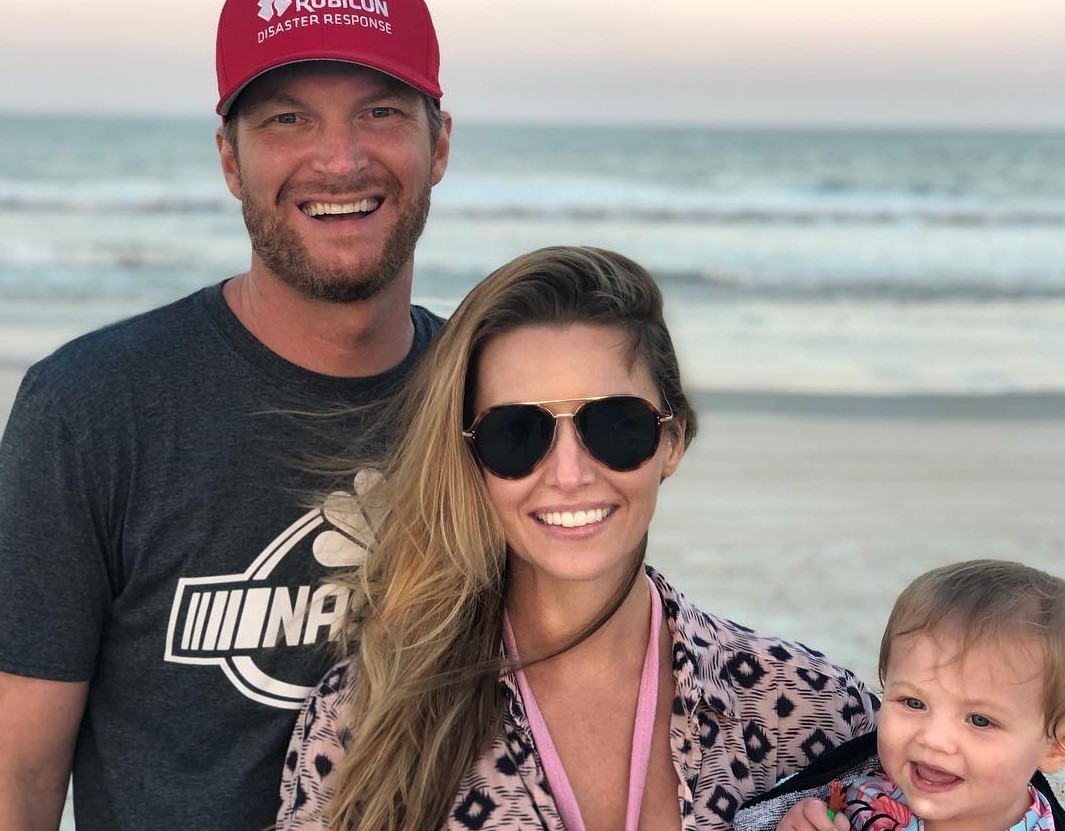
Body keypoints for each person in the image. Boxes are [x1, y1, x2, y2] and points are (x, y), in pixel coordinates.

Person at [0, 1, 451, 828]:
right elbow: (16, 778)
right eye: (287, 119)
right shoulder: (92, 407)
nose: (340, 159)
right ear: (230, 161)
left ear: (440, 145)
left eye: (381, 113)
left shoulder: (496, 402)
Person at [276, 246, 880, 831]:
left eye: (615, 425)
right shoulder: (363, 725)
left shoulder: (816, 712)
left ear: (673, 441)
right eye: (516, 432)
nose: (569, 474)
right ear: (470, 459)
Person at [734, 559, 1065, 831]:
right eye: (913, 703)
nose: (933, 740)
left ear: (1055, 747)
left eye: (979, 720)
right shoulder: (854, 803)